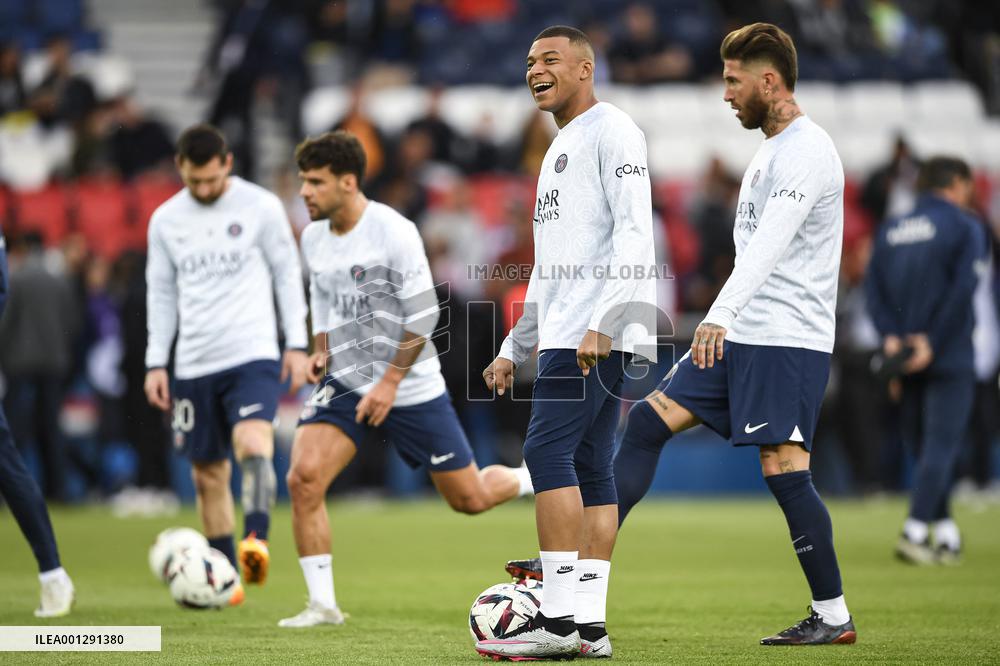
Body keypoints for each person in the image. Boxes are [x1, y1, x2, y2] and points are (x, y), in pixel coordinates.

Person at [510, 23, 857, 647]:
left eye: (733, 80)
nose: (725, 94)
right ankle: (583, 573)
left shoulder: (807, 150)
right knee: (645, 424)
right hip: (743, 330)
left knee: (783, 468)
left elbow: (771, 246)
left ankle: (831, 613)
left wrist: (716, 315)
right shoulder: (769, 153)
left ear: (768, 81)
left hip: (784, 335)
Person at [277, 130, 533, 629]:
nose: (304, 192)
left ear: (348, 182)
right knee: (304, 479)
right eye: (303, 182)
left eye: (314, 182)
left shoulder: (393, 231)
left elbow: (422, 316)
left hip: (410, 386)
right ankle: (323, 604)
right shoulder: (312, 236)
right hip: (347, 380)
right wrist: (319, 352)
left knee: (469, 499)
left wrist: (390, 385)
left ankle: (531, 475)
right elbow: (325, 302)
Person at [478, 26, 657, 660]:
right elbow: (550, 270)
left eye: (549, 59)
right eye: (529, 61)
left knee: (545, 451)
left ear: (585, 68)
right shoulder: (557, 151)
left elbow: (637, 233)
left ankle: (553, 622)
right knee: (591, 468)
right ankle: (588, 627)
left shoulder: (613, 130)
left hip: (592, 332)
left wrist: (606, 322)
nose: (535, 70)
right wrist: (512, 347)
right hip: (570, 331)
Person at [144, 124, 309, 597]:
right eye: (194, 182)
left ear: (228, 164)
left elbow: (285, 276)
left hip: (251, 352)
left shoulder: (260, 206)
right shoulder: (165, 220)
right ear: (181, 168)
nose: (203, 190)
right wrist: (157, 362)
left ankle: (255, 540)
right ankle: (222, 574)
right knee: (207, 473)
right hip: (193, 362)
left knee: (253, 442)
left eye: (211, 181)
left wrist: (295, 344)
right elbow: (161, 294)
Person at [865, 156, 987, 565]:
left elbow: (873, 289)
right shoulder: (965, 225)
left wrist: (893, 338)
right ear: (957, 183)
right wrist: (932, 340)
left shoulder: (893, 227)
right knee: (941, 444)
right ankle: (916, 530)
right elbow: (963, 288)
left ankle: (946, 532)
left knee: (920, 444)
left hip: (903, 354)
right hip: (947, 352)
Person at [0, 225, 75, 617]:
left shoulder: (23, 275)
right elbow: (72, 320)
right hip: (53, 363)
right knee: (45, 438)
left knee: (18, 440)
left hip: (21, 365)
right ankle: (59, 490)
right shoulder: (56, 278)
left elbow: (7, 318)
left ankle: (52, 573)